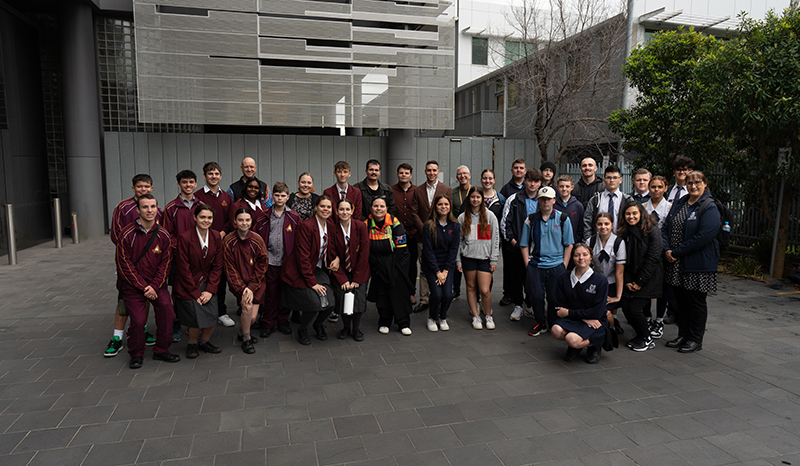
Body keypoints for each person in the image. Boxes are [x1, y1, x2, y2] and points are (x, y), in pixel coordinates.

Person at [115, 194, 179, 369]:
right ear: (137, 210)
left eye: (153, 207)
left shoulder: (164, 235)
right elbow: (124, 264)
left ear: (157, 209)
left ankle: (162, 350)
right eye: (145, 207)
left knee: (167, 313)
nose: (149, 211)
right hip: (134, 287)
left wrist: (155, 286)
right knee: (138, 320)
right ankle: (136, 354)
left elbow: (166, 264)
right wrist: (144, 287)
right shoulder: (127, 234)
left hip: (158, 285)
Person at [105, 174, 162, 357]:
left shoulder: (157, 210)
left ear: (152, 188)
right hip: (129, 263)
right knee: (123, 300)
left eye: (146, 186)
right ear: (133, 189)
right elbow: (116, 236)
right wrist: (133, 256)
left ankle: (142, 330)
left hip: (150, 264)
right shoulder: (123, 207)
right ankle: (117, 337)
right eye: (139, 187)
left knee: (144, 296)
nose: (143, 189)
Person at [662, 171, 719, 353]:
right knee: (681, 302)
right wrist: (666, 249)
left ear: (705, 183)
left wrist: (676, 252)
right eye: (689, 183)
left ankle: (695, 339)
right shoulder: (680, 202)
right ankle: (683, 335)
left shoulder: (709, 206)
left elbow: (704, 236)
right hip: (677, 263)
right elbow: (665, 227)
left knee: (695, 303)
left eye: (697, 182)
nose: (693, 186)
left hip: (697, 264)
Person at [282, 195, 338, 345]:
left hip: (319, 269)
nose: (325, 209)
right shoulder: (306, 226)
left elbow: (333, 248)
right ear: (316, 208)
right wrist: (312, 283)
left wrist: (337, 258)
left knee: (331, 303)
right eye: (322, 206)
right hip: (301, 271)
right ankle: (303, 329)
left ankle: (318, 324)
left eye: (328, 207)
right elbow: (303, 258)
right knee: (314, 303)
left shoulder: (331, 226)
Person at [520, 186, 574, 337]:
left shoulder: (563, 219)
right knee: (536, 296)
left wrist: (564, 264)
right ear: (538, 200)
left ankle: (552, 322)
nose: (545, 202)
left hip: (557, 265)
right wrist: (527, 264)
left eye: (548, 199)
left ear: (554, 200)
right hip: (536, 265)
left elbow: (569, 244)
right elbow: (524, 244)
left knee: (553, 297)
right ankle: (540, 322)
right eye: (542, 199)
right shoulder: (531, 219)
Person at [172, 204, 224, 359]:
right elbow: (183, 268)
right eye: (202, 217)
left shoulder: (215, 236)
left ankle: (204, 342)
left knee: (213, 315)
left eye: (209, 217)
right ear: (195, 218)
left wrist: (210, 290)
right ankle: (192, 343)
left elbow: (218, 265)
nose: (206, 220)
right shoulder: (185, 237)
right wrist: (196, 292)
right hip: (188, 284)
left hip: (208, 283)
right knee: (196, 318)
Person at [253, 182, 301, 338]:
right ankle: (268, 322)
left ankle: (283, 321)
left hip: (287, 263)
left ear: (288, 197)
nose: (280, 198)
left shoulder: (294, 217)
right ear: (272, 196)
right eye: (277, 195)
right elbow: (256, 239)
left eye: (283, 196)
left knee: (284, 292)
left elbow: (300, 241)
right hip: (270, 262)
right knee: (270, 293)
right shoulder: (263, 217)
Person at [551, 243, 609, 364]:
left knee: (571, 339)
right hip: (578, 318)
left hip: (594, 321)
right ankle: (576, 346)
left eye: (585, 255)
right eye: (577, 255)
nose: (581, 258)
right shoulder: (564, 277)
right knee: (555, 331)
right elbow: (559, 305)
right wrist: (583, 318)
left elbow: (597, 312)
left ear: (591, 257)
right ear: (572, 257)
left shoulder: (600, 280)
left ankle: (595, 345)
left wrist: (569, 313)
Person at [194, 162, 236, 328]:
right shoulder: (197, 196)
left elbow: (230, 220)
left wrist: (223, 233)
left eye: (216, 173)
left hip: (221, 244)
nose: (213, 176)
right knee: (201, 277)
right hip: (202, 245)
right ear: (204, 176)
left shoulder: (226, 197)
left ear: (220, 176)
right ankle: (203, 310)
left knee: (220, 278)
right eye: (210, 174)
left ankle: (221, 311)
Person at [617, 202, 663, 352]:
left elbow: (653, 258)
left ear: (641, 214)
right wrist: (629, 281)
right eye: (628, 214)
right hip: (632, 277)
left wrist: (639, 282)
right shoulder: (625, 232)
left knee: (635, 309)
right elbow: (626, 259)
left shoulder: (652, 231)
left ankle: (647, 338)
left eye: (634, 213)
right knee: (625, 305)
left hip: (649, 277)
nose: (631, 217)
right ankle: (640, 334)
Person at [323, 161, 363, 323]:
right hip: (334, 233)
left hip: (352, 233)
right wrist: (338, 232)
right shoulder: (328, 191)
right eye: (339, 171)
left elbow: (357, 213)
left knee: (351, 268)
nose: (342, 174)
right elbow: (328, 214)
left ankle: (352, 305)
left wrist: (349, 230)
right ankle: (334, 308)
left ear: (349, 174)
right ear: (335, 174)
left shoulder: (356, 192)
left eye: (345, 171)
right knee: (334, 270)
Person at [366, 196, 413, 335]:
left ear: (387, 208)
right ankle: (384, 321)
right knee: (382, 294)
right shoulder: (365, 224)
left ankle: (403, 323)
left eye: (382, 206)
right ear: (371, 208)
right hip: (377, 266)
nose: (378, 209)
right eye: (375, 206)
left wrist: (393, 267)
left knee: (399, 293)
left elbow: (401, 247)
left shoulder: (394, 222)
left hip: (396, 264)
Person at [223, 208, 268, 354]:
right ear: (235, 222)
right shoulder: (228, 241)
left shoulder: (257, 239)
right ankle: (246, 339)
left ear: (251, 221)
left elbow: (263, 264)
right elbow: (230, 269)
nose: (244, 223)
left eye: (247, 220)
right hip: (239, 284)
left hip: (257, 283)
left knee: (253, 317)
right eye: (240, 220)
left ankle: (242, 332)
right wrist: (243, 289)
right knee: (247, 309)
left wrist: (252, 286)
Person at [501, 168, 543, 320]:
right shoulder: (514, 199)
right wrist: (513, 242)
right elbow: (505, 222)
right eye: (530, 180)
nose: (532, 184)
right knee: (516, 278)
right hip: (516, 248)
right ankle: (518, 305)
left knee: (532, 279)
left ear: (540, 183)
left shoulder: (544, 199)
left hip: (537, 250)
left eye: (536, 181)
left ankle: (530, 306)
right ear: (525, 180)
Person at [411, 160, 452, 314]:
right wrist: (424, 229)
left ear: (438, 171)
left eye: (434, 170)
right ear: (425, 171)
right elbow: (414, 211)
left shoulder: (446, 189)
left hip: (442, 236)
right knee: (424, 268)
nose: (431, 173)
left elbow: (449, 211)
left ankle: (440, 297)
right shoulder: (418, 190)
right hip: (423, 236)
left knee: (441, 266)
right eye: (429, 170)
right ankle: (424, 300)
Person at [163, 170, 200, 342]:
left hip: (199, 259)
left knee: (197, 289)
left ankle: (194, 323)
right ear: (179, 184)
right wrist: (183, 250)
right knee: (178, 292)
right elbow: (167, 235)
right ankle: (176, 323)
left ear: (196, 184)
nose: (188, 185)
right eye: (184, 182)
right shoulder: (171, 208)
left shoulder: (201, 205)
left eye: (191, 182)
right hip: (179, 258)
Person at [457, 187, 500, 330]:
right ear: (469, 199)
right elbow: (458, 242)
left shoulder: (491, 216)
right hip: (468, 258)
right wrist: (458, 261)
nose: (475, 200)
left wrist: (494, 259)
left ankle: (488, 315)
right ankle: (476, 316)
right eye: (472, 197)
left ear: (482, 199)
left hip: (485, 258)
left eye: (478, 197)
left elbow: (495, 239)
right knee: (470, 287)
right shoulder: (462, 217)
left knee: (485, 290)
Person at [331, 198, 371, 341]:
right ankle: (346, 328)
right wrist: (342, 279)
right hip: (341, 271)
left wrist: (356, 279)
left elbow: (364, 253)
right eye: (341, 209)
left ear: (352, 211)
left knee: (358, 299)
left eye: (348, 209)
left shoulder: (360, 226)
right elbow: (331, 254)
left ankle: (356, 329)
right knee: (343, 297)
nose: (344, 212)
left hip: (360, 270)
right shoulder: (333, 229)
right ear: (336, 211)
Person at [421, 195, 461, 332]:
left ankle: (442, 317)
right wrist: (437, 272)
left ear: (450, 207)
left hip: (447, 267)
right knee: (437, 294)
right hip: (432, 266)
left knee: (448, 295)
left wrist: (445, 271)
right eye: (440, 204)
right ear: (435, 207)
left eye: (446, 204)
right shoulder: (428, 226)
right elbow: (428, 251)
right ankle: (432, 318)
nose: (443, 207)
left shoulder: (455, 226)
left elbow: (454, 250)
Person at [644, 175, 673, 335]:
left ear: (665, 188)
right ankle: (647, 318)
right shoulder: (643, 207)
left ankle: (659, 320)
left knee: (663, 288)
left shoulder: (669, 208)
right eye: (653, 187)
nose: (656, 190)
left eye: (659, 187)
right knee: (646, 286)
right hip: (646, 253)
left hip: (662, 253)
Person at [590, 213, 626, 335]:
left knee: (605, 311)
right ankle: (610, 327)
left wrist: (618, 296)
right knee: (597, 310)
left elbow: (619, 271)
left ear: (612, 225)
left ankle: (611, 329)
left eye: (606, 224)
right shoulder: (591, 241)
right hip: (596, 283)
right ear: (596, 225)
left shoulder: (619, 243)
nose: (603, 227)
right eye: (600, 224)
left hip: (611, 284)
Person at [498, 158, 526, 307]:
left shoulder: (530, 188)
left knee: (526, 270)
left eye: (521, 168)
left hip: (527, 240)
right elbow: (504, 215)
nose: (518, 170)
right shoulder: (506, 189)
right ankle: (508, 294)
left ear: (525, 171)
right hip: (511, 239)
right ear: (512, 170)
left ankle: (526, 297)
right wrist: (510, 238)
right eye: (516, 168)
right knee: (510, 269)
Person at [391, 163, 419, 306]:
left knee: (412, 265)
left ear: (411, 175)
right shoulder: (391, 190)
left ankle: (411, 292)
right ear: (397, 174)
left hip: (413, 234)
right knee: (397, 264)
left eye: (406, 173)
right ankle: (398, 291)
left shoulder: (417, 190)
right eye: (401, 173)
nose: (403, 175)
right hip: (396, 235)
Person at [582, 165, 632, 242]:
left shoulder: (627, 200)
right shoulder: (595, 200)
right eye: (608, 178)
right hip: (598, 242)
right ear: (604, 180)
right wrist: (589, 241)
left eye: (615, 178)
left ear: (620, 180)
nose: (612, 180)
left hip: (621, 242)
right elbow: (587, 222)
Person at [553, 174, 584, 245]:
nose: (564, 189)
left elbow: (581, 228)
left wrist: (576, 242)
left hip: (573, 243)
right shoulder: (553, 205)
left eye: (567, 186)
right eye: (561, 186)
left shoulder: (578, 206)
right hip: (555, 244)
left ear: (572, 187)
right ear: (557, 187)